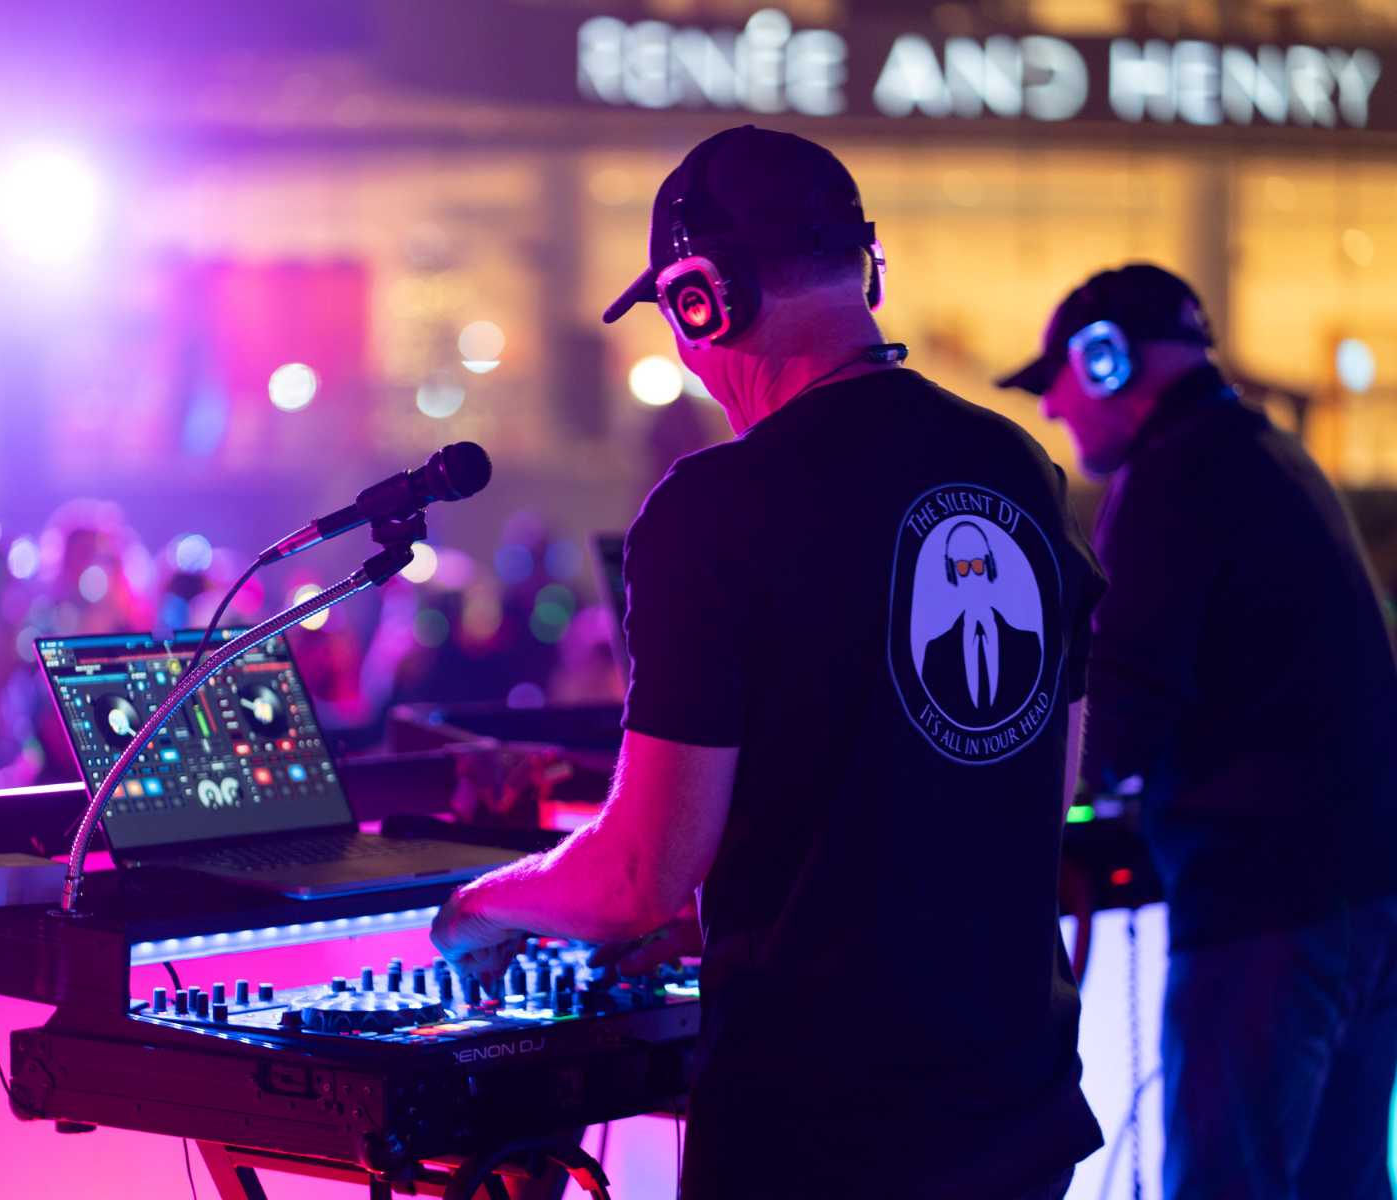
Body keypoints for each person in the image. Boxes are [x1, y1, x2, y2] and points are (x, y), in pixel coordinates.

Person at [432, 125, 1104, 1198]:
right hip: (1014, 1102)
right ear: (865, 271)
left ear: (704, 299)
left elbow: (640, 876)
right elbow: (1034, 791)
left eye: (677, 319)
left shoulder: (716, 506)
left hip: (824, 1125)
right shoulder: (1018, 466)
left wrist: (484, 904)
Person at [999, 263, 1397, 1200]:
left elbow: (1121, 709)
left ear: (1103, 363)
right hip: (1360, 892)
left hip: (1266, 910)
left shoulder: (1175, 476)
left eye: (1056, 388)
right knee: (1342, 1183)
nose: (1054, 414)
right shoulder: (1268, 452)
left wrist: (1012, 789)